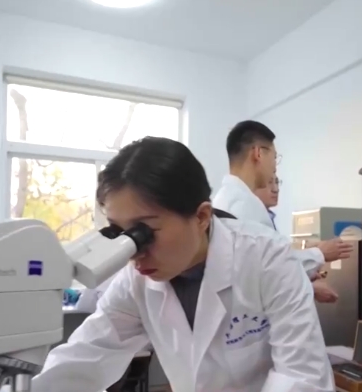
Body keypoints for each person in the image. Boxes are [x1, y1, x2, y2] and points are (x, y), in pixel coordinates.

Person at [32, 137, 333, 392]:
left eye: (144, 231)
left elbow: (301, 377)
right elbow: (85, 356)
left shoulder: (268, 258)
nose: (134, 252)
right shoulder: (135, 281)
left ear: (201, 217)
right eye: (119, 231)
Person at [212, 120, 353, 279]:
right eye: (274, 157)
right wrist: (320, 253)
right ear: (258, 153)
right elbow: (277, 266)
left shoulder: (225, 198)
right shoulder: (245, 206)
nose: (275, 167)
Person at [254, 174, 339, 303]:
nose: (275, 189)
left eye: (277, 182)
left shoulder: (267, 221)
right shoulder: (252, 225)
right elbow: (273, 271)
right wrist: (320, 254)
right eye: (269, 182)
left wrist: (305, 273)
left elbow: (281, 263)